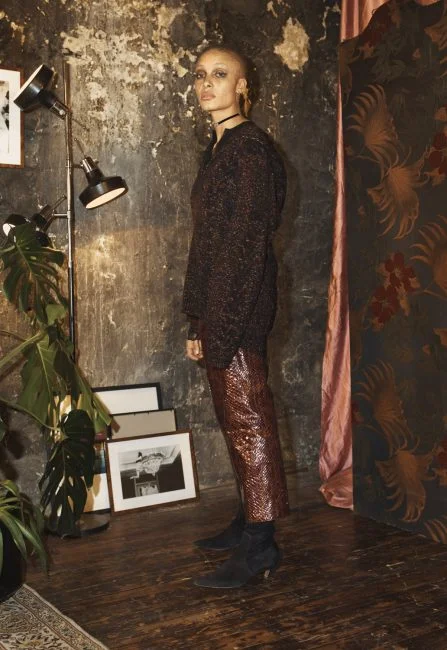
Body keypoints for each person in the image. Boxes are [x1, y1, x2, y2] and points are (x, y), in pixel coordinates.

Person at [182, 44, 289, 589]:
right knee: (234, 418)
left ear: (243, 87)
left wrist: (219, 327)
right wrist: (195, 319)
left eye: (220, 75)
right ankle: (248, 517)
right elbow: (207, 244)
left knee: (249, 421)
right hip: (218, 308)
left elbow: (243, 248)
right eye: (200, 75)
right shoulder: (220, 148)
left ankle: (261, 544)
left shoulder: (250, 151)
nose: (207, 84)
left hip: (239, 308)